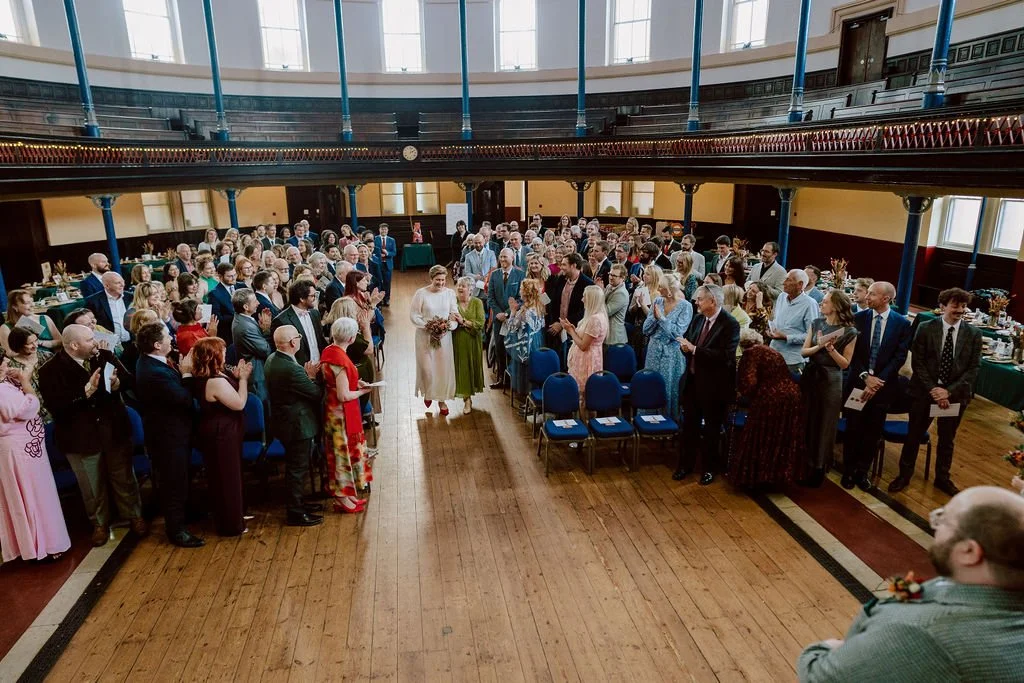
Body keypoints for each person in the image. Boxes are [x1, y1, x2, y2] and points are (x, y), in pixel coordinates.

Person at [798, 486, 1024, 682]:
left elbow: (819, 676)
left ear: (969, 552)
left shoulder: (923, 633)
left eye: (942, 520)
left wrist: (828, 647)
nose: (935, 526)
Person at [37, 324, 144, 546]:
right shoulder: (50, 371)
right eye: (89, 340)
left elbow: (128, 379)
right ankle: (99, 523)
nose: (95, 342)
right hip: (80, 436)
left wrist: (116, 384)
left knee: (124, 477)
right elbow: (57, 407)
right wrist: (86, 392)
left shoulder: (104, 355)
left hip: (113, 429)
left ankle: (134, 515)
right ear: (74, 345)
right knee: (91, 485)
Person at [888, 287, 983, 496]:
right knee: (913, 436)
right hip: (924, 393)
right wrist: (934, 389)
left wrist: (947, 392)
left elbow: (973, 368)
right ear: (942, 306)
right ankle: (904, 475)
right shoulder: (925, 327)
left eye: (964, 306)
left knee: (947, 439)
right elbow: (918, 362)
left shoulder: (974, 333)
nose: (960, 310)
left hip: (954, 396)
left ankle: (942, 478)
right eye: (955, 305)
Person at [133, 323, 204, 548]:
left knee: (181, 479)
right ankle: (177, 531)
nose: (171, 339)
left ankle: (187, 515)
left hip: (175, 433)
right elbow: (183, 398)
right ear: (156, 345)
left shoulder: (152, 362)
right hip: (168, 438)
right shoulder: (153, 372)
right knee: (173, 484)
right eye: (166, 337)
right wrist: (186, 374)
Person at [842, 281, 912, 492]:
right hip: (857, 383)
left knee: (872, 431)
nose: (867, 297)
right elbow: (852, 353)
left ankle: (863, 472)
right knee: (853, 428)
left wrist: (877, 381)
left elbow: (899, 356)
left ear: (886, 299)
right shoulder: (859, 319)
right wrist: (865, 376)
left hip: (883, 388)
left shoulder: (901, 324)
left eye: (872, 294)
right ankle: (848, 471)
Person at [0, 354, 71, 562]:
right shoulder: (2, 390)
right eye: (2, 362)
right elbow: (31, 407)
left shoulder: (4, 385)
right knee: (34, 495)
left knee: (29, 494)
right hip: (19, 450)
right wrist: (25, 382)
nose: (6, 364)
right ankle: (46, 545)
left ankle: (33, 545)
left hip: (23, 448)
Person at [675, 285, 740, 485]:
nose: (696, 302)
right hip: (693, 382)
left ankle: (709, 469)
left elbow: (726, 356)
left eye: (700, 299)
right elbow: (691, 343)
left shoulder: (730, 324)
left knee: (711, 430)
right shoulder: (697, 319)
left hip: (714, 386)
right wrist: (686, 348)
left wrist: (695, 350)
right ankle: (686, 465)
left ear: (713, 301)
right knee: (689, 427)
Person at [190, 337, 251, 536]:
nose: (225, 353)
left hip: (225, 432)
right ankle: (232, 524)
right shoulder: (213, 381)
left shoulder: (215, 375)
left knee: (230, 476)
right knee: (226, 479)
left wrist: (234, 376)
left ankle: (236, 515)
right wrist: (242, 380)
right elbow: (239, 403)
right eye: (222, 351)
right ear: (212, 355)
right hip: (221, 434)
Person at [264, 326, 324, 526]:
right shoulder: (291, 368)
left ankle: (299, 503)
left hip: (284, 421)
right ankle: (296, 512)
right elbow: (315, 393)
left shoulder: (273, 359)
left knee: (297, 467)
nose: (299, 339)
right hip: (297, 424)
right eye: (298, 337)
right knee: (297, 469)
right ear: (293, 343)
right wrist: (312, 377)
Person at [799, 289, 858, 487]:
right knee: (807, 418)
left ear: (836, 306)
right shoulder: (817, 323)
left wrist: (831, 349)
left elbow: (845, 364)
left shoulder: (849, 332)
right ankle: (802, 461)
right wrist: (819, 346)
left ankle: (819, 466)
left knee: (825, 423)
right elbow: (804, 351)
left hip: (831, 379)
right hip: (811, 375)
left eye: (825, 302)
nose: (821, 304)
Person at [727, 341, 806, 487]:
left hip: (770, 399)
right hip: (792, 397)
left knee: (763, 436)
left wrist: (740, 394)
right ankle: (778, 479)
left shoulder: (750, 353)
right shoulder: (772, 351)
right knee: (782, 437)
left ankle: (759, 478)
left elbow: (749, 383)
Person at [322, 318, 375, 513]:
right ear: (352, 338)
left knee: (340, 452)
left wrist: (356, 384)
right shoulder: (341, 361)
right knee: (341, 454)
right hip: (340, 413)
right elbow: (343, 394)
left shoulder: (329, 351)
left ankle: (348, 494)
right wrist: (363, 391)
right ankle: (342, 497)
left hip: (333, 410)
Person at [411, 265, 459, 416]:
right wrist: (429, 326)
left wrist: (447, 326)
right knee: (427, 369)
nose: (441, 283)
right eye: (437, 280)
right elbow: (414, 315)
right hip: (424, 337)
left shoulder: (450, 293)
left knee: (442, 370)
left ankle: (441, 400)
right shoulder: (421, 294)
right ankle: (428, 392)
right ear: (431, 279)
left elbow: (454, 314)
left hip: (443, 338)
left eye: (443, 280)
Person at [642, 273, 693, 417]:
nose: (658, 289)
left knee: (669, 387)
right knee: (650, 384)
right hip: (653, 349)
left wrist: (662, 319)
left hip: (672, 353)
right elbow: (645, 329)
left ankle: (668, 420)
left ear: (670, 290)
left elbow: (677, 333)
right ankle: (648, 419)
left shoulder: (686, 307)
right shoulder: (657, 301)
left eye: (661, 287)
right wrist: (654, 319)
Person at [562, 285, 609, 408]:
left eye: (585, 297)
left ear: (591, 299)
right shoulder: (594, 316)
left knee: (584, 397)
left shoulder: (595, 319)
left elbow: (583, 345)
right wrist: (571, 328)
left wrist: (570, 331)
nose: (582, 299)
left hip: (587, 360)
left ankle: (585, 424)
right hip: (586, 357)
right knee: (582, 397)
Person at [766, 269, 820, 373]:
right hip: (773, 353)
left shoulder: (810, 304)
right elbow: (775, 320)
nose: (784, 283)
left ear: (800, 284)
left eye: (788, 280)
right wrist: (770, 329)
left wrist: (787, 337)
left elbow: (812, 336)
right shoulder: (782, 297)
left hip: (792, 361)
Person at [545, 253, 594, 366]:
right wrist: (555, 323)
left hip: (575, 331)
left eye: (564, 265)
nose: (561, 267)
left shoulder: (587, 284)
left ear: (573, 265)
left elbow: (584, 311)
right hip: (555, 329)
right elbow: (553, 301)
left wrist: (563, 325)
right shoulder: (561, 279)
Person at [486, 249, 525, 390]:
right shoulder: (494, 274)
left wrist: (507, 314)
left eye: (505, 257)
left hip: (514, 319)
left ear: (512, 258)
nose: (502, 259)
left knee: (513, 348)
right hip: (498, 320)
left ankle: (514, 379)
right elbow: (490, 297)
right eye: (500, 256)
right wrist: (498, 313)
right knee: (500, 348)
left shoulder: (520, 274)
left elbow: (521, 298)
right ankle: (501, 378)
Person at [505, 279, 546, 409]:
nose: (520, 292)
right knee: (535, 369)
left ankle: (529, 402)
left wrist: (512, 311)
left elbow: (512, 327)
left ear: (525, 293)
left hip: (525, 344)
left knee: (527, 372)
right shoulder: (539, 307)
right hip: (537, 341)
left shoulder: (524, 312)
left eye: (521, 290)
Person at [271, 280, 326, 366]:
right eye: (312, 296)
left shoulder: (315, 314)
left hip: (320, 365)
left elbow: (320, 339)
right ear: (302, 299)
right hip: (299, 370)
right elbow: (282, 353)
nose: (315, 298)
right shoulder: (282, 320)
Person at [231, 290, 273, 401]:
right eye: (255, 301)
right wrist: (266, 330)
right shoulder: (245, 327)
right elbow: (266, 350)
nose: (258, 303)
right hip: (257, 377)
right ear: (245, 306)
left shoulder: (244, 318)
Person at [452, 276, 485, 414]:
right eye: (459, 285)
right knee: (461, 369)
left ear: (471, 289)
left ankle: (468, 398)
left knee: (470, 368)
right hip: (457, 340)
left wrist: (463, 321)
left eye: (463, 286)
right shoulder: (452, 302)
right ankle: (466, 399)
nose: (460, 288)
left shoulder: (477, 303)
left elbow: (480, 324)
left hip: (472, 341)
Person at [1, 289, 62, 358]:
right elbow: (9, 353)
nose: (32, 305)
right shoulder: (6, 327)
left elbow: (61, 342)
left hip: (51, 360)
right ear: (14, 307)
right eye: (27, 303)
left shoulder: (45, 318)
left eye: (32, 301)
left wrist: (42, 342)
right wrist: (28, 348)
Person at [85, 272, 132, 347]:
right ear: (106, 285)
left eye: (123, 282)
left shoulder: (130, 297)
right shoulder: (93, 301)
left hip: (131, 342)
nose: (122, 285)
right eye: (118, 283)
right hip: (110, 345)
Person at [208, 263, 246, 345]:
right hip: (229, 334)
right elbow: (218, 318)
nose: (233, 278)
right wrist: (240, 316)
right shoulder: (214, 294)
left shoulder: (242, 286)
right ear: (220, 277)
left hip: (246, 330)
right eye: (229, 276)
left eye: (234, 275)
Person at [603, 263, 629, 346]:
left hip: (614, 338)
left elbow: (605, 311)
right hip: (606, 334)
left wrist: (599, 293)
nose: (610, 277)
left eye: (614, 275)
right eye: (610, 274)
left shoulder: (621, 294)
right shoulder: (608, 286)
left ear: (622, 278)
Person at [374, 223, 397, 306]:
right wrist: (379, 255)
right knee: (378, 282)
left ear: (387, 230)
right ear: (379, 230)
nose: (383, 230)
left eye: (385, 229)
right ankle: (379, 299)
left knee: (387, 282)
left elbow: (394, 252)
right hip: (378, 264)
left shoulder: (392, 240)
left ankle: (387, 299)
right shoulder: (375, 239)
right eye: (382, 229)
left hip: (387, 264)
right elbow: (373, 250)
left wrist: (387, 253)